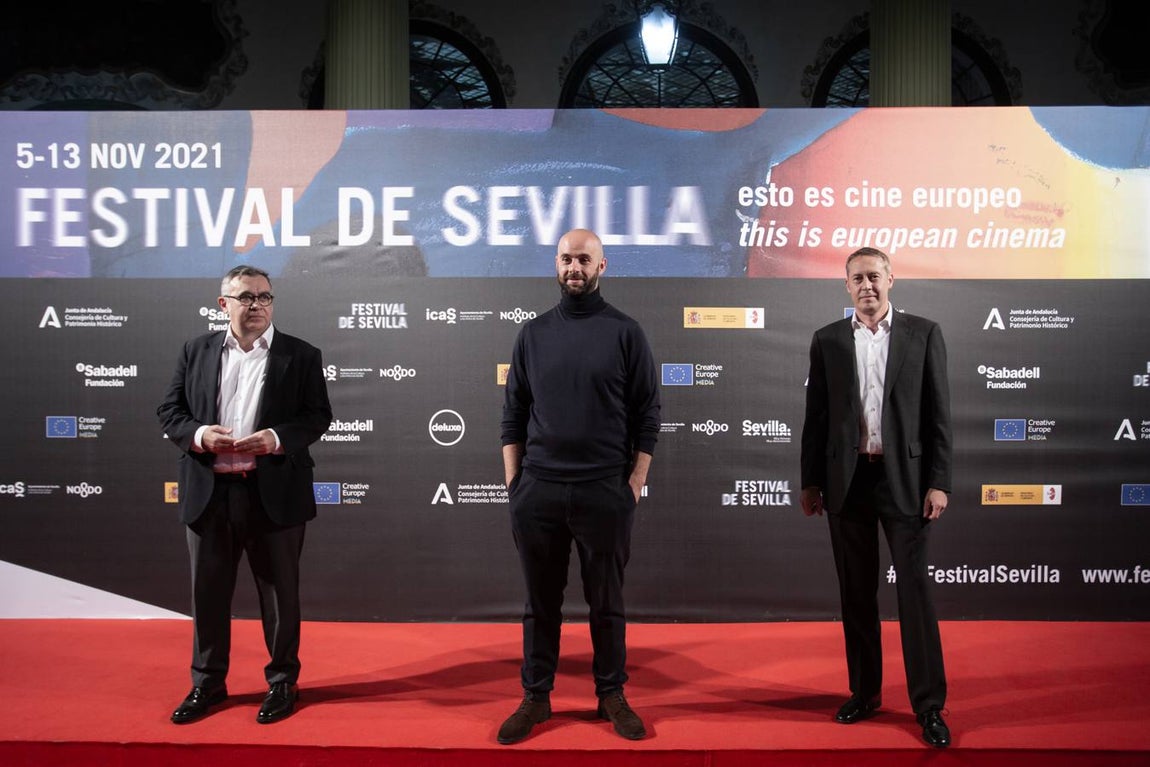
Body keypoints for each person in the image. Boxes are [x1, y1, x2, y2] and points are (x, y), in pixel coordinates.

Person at [498, 229, 660, 744]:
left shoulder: (626, 332)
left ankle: (610, 693)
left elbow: (648, 414)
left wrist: (634, 482)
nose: (575, 267)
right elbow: (513, 415)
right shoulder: (533, 333)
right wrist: (515, 485)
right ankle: (536, 696)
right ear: (556, 264)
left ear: (602, 266)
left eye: (584, 260)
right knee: (539, 603)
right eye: (567, 258)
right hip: (539, 492)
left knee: (606, 602)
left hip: (604, 492)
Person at [157, 265, 332, 725]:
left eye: (265, 297)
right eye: (246, 297)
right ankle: (208, 684)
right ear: (224, 305)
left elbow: (317, 417)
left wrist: (274, 438)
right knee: (208, 594)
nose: (257, 305)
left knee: (280, 596)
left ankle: (282, 683)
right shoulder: (195, 351)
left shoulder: (302, 355)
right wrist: (198, 435)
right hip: (209, 493)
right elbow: (170, 410)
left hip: (272, 493)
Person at [799, 247, 953, 748]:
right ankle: (865, 692)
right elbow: (815, 419)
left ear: (891, 280)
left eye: (874, 276)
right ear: (847, 287)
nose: (867, 285)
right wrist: (810, 481)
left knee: (915, 596)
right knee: (857, 596)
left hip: (905, 482)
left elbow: (939, 417)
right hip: (848, 483)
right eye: (857, 278)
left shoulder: (924, 334)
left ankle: (929, 706)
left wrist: (940, 481)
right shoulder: (827, 341)